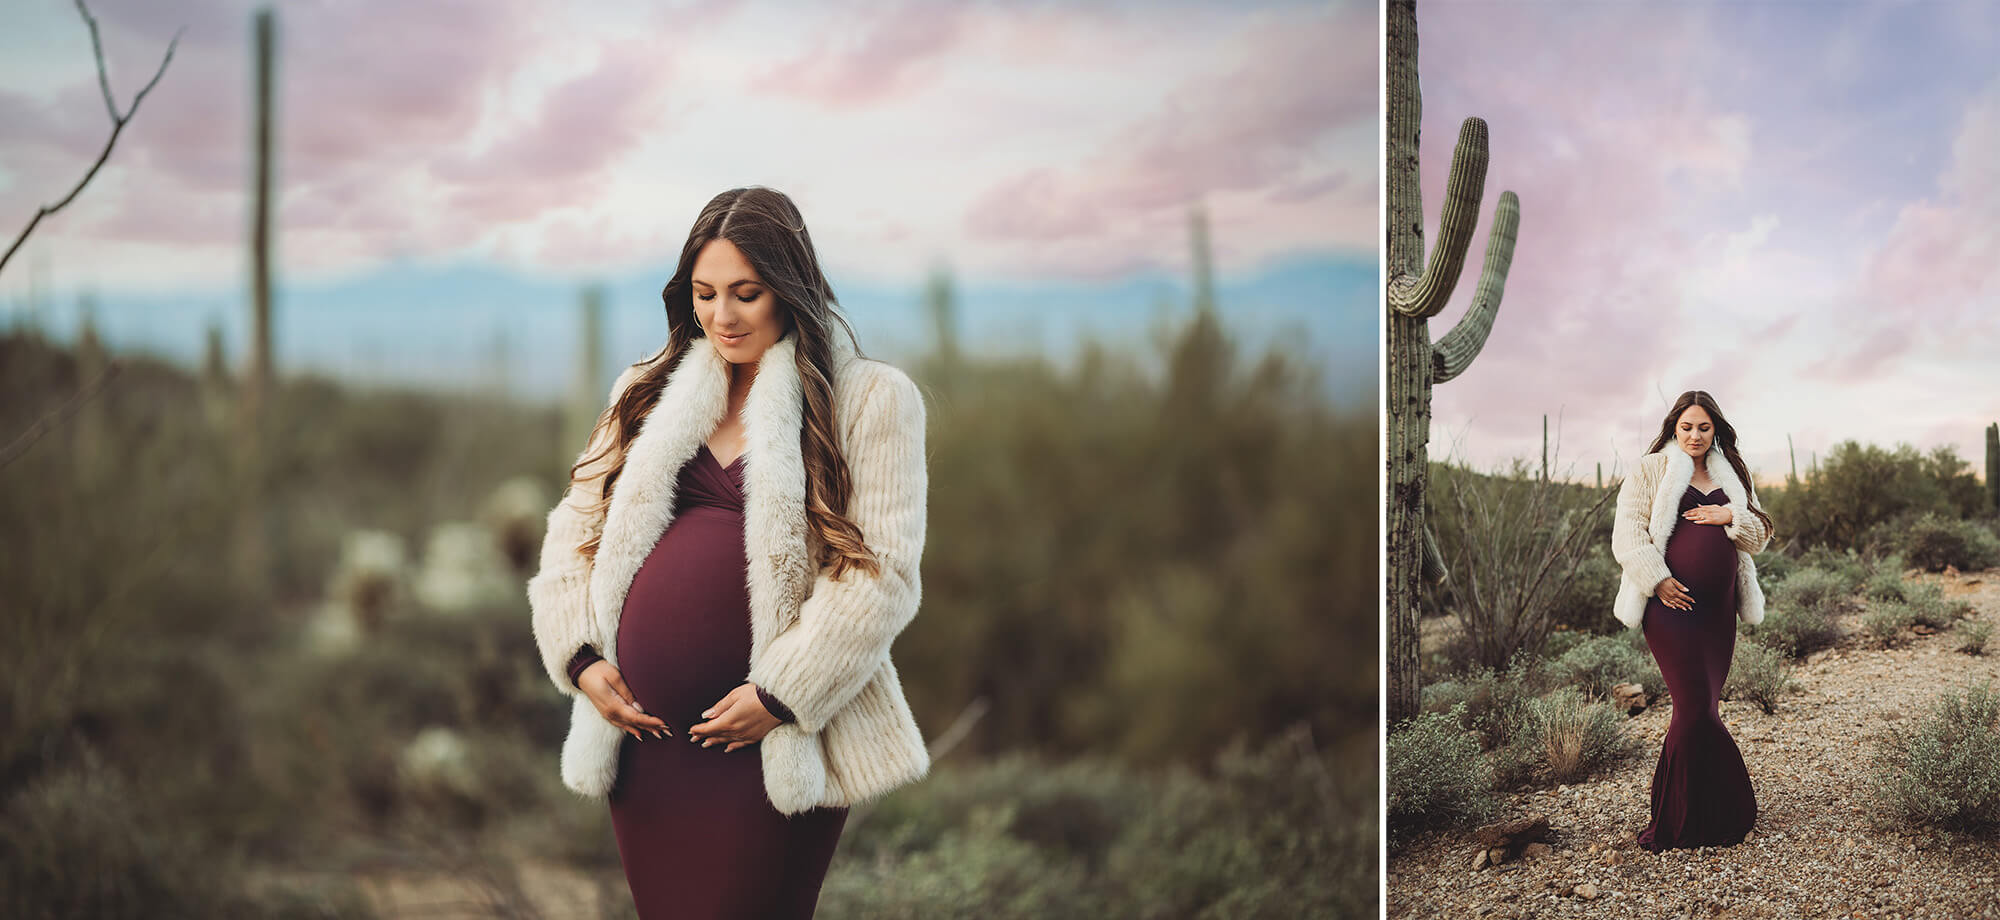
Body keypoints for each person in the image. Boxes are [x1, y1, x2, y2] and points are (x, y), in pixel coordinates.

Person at [526, 187, 932, 917]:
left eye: (746, 293)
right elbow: (572, 533)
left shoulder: (869, 399)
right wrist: (582, 661)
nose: (721, 316)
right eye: (705, 293)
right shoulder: (646, 390)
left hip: (772, 744)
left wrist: (781, 695)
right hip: (647, 748)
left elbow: (882, 574)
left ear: (791, 287)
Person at [1609, 390, 1775, 851]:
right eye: (1687, 427)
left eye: (1704, 427)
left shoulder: (1732, 472)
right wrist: (1657, 580)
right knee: (1695, 708)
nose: (1695, 435)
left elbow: (1760, 532)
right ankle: (1697, 814)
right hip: (1671, 611)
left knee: (1704, 709)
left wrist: (1730, 515)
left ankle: (1694, 805)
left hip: (1719, 614)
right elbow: (1627, 535)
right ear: (1673, 428)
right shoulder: (1650, 469)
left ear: (1715, 428)